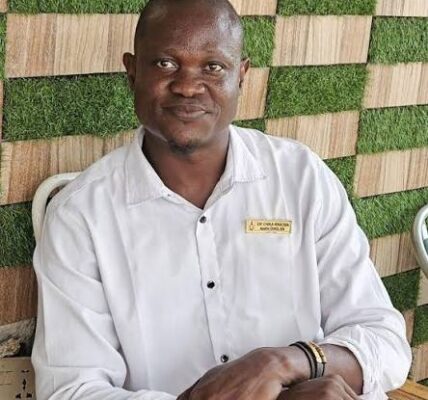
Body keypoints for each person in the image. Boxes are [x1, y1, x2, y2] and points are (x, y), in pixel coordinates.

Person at [31, 0, 411, 399]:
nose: (188, 86)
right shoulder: (80, 216)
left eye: (213, 67)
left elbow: (384, 342)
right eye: (165, 63)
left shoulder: (301, 177)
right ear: (132, 72)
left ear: (241, 75)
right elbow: (71, 390)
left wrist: (288, 362)